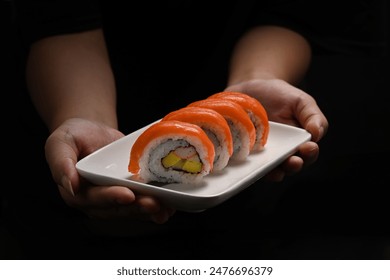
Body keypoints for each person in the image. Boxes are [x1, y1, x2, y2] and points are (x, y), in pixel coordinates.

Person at [5, 0, 330, 258]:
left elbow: (290, 13)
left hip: (243, 218)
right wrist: (85, 116)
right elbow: (62, 21)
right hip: (64, 224)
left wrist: (256, 81)